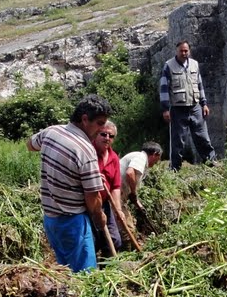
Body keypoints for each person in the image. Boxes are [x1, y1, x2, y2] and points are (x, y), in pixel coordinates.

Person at [27, 94, 112, 272]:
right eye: (99, 123)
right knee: (85, 279)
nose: (101, 129)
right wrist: (99, 216)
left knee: (65, 273)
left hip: (51, 220)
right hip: (73, 223)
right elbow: (92, 197)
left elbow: (30, 144)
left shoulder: (52, 131)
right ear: (84, 119)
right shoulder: (85, 150)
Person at [160, 40, 217, 171]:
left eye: (186, 51)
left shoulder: (195, 64)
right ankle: (175, 168)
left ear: (189, 51)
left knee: (203, 137)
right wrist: (165, 109)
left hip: (195, 106)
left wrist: (204, 104)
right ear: (177, 51)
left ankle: (210, 162)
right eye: (181, 51)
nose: (184, 53)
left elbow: (199, 84)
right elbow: (163, 88)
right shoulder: (169, 66)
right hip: (177, 108)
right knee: (178, 141)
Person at [92, 119, 123, 254]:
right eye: (103, 134)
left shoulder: (114, 157)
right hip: (89, 203)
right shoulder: (89, 152)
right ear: (96, 134)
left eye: (111, 136)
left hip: (105, 203)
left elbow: (115, 186)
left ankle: (107, 269)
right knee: (93, 240)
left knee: (115, 240)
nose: (107, 138)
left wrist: (118, 209)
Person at [120, 141, 163, 218]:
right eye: (158, 158)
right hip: (115, 196)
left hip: (119, 196)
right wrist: (133, 192)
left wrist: (139, 205)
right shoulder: (141, 157)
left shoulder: (140, 158)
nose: (157, 162)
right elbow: (130, 173)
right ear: (155, 154)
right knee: (126, 226)